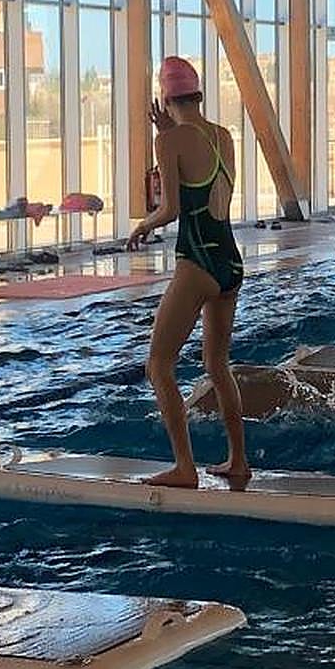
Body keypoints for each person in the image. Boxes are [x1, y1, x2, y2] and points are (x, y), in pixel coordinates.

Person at [127, 57, 248, 489]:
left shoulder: (170, 141)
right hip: (230, 262)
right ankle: (238, 459)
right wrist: (168, 135)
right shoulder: (223, 136)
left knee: (158, 364)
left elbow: (173, 209)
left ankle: (184, 466)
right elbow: (204, 177)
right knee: (218, 364)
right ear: (197, 93)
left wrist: (143, 224)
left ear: (164, 97)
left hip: (196, 260)